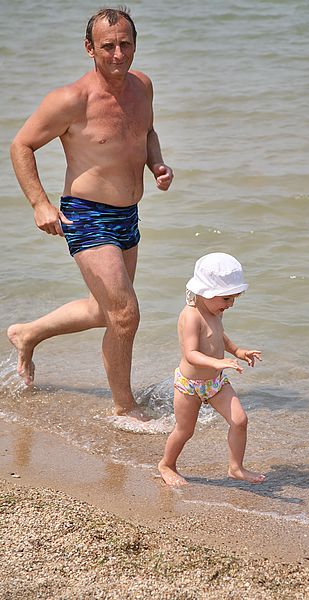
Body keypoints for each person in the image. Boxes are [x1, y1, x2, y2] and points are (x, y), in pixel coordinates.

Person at [7, 7, 173, 421]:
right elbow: (21, 146)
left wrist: (157, 164)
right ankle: (123, 408)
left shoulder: (143, 87)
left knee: (105, 310)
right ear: (89, 48)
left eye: (126, 44)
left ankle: (26, 333)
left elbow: (145, 130)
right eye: (108, 46)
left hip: (127, 215)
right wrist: (40, 204)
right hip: (87, 214)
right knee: (125, 314)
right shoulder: (70, 99)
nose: (119, 54)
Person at [158, 253, 265, 486]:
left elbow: (218, 336)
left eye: (234, 298)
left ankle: (235, 467)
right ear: (205, 292)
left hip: (215, 383)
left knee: (239, 420)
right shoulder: (191, 315)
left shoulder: (214, 311)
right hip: (189, 385)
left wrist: (237, 351)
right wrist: (218, 362)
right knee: (185, 431)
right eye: (226, 298)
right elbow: (191, 354)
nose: (231, 304)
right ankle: (167, 465)